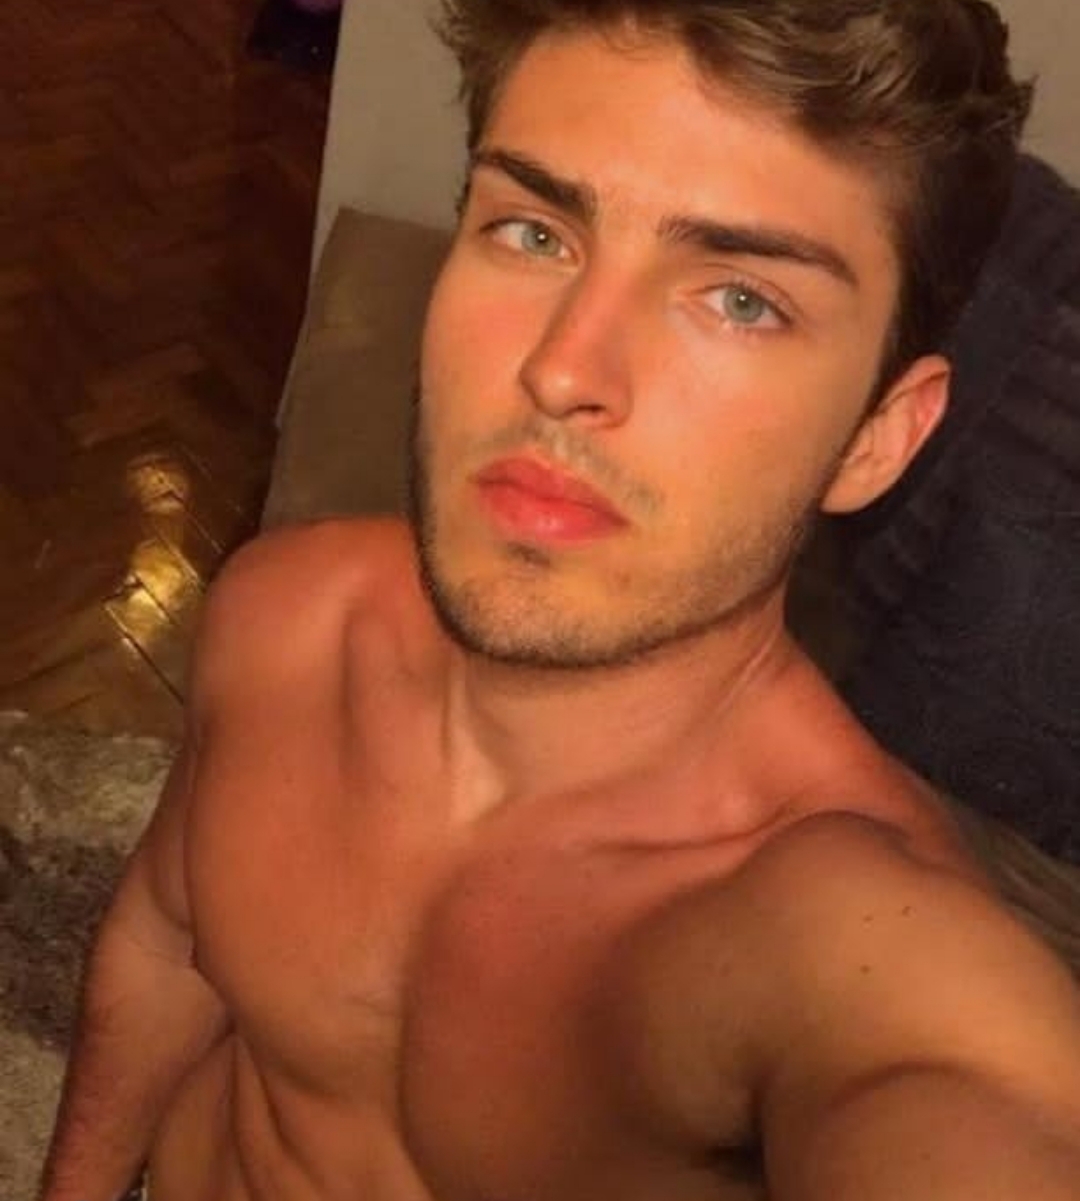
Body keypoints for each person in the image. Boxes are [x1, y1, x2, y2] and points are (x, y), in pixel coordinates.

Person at [40, 2, 1080, 1199]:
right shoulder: (284, 615)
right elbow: (164, 940)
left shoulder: (852, 953)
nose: (563, 367)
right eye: (534, 231)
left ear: (877, 439)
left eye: (741, 298)